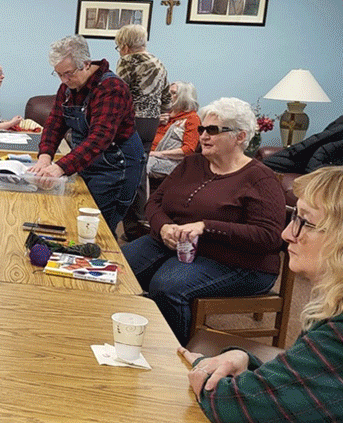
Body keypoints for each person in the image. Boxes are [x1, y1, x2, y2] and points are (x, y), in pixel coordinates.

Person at [178, 163, 343, 423]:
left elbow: (235, 406)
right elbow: (314, 383)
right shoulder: (342, 309)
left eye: (304, 222)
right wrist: (244, 360)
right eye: (293, 218)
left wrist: (199, 367)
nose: (288, 233)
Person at [122, 97, 286, 344]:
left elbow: (269, 237)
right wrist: (164, 226)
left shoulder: (260, 178)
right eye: (202, 130)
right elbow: (154, 203)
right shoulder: (192, 163)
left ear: (240, 136)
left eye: (213, 130)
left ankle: (174, 355)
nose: (203, 136)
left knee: (167, 286)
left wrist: (206, 227)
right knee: (117, 267)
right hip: (176, 246)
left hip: (239, 262)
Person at [28, 34, 143, 234]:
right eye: (59, 74)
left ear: (86, 64)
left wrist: (59, 168)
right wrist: (44, 158)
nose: (64, 80)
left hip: (116, 168)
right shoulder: (68, 87)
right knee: (76, 223)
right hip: (88, 162)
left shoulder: (112, 88)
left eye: (68, 73)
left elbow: (99, 139)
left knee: (97, 231)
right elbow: (54, 123)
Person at [115, 24, 171, 240]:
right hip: (151, 122)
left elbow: (119, 92)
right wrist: (158, 111)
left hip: (130, 120)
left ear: (126, 46)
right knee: (140, 172)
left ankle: (121, 222)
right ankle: (137, 227)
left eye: (119, 46)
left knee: (122, 170)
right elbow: (166, 97)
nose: (119, 51)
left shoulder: (128, 61)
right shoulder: (158, 62)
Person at [145, 81, 201, 178]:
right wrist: (155, 121)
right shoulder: (161, 113)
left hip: (169, 161)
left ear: (184, 97)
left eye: (173, 93)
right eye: (167, 92)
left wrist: (156, 154)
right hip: (148, 154)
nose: (167, 96)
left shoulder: (192, 118)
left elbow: (188, 150)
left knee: (142, 166)